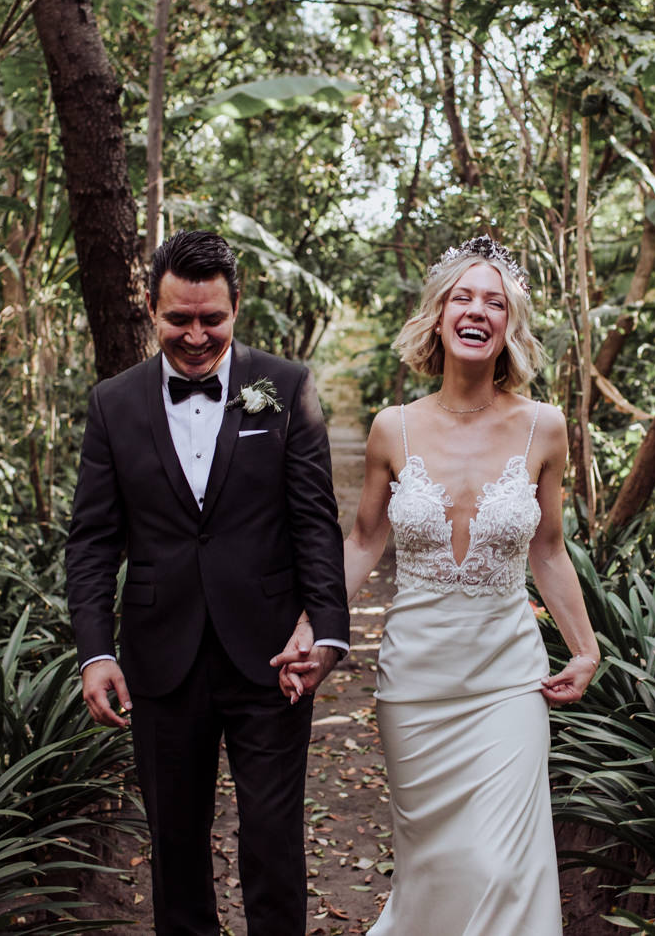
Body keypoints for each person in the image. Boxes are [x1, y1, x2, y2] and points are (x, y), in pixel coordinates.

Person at [274, 235, 601, 935]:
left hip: (507, 675)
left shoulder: (544, 427)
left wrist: (584, 647)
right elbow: (363, 540)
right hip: (416, 679)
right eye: (462, 296)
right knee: (439, 869)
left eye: (494, 300)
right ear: (439, 316)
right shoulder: (395, 428)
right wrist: (315, 624)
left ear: (509, 324)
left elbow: (548, 548)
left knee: (503, 866)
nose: (477, 309)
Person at [66, 229, 350, 936]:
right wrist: (96, 651)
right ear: (151, 307)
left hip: (271, 654)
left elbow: (315, 520)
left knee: (272, 842)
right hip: (161, 659)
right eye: (178, 318)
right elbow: (94, 540)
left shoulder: (286, 387)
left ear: (236, 307)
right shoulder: (113, 403)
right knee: (176, 849)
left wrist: (327, 630)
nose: (195, 336)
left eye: (211, 319)